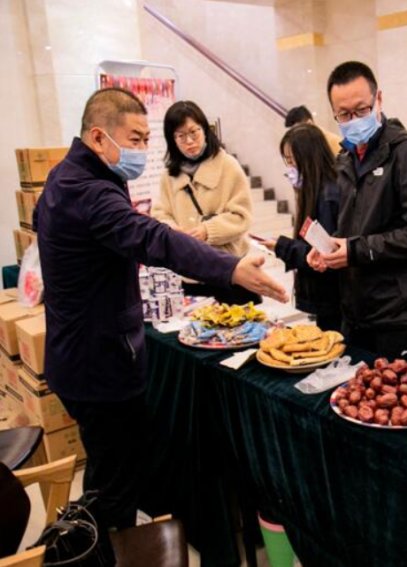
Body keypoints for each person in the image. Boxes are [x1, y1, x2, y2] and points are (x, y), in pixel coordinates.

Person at [33, 88, 288, 556]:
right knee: (113, 480)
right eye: (134, 137)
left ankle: (109, 539)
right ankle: (104, 551)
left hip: (82, 352)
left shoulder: (70, 176)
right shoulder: (87, 190)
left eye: (147, 138)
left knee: (111, 466)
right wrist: (228, 268)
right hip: (98, 363)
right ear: (98, 135)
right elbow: (152, 235)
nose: (141, 150)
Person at [307, 61, 407, 364]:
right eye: (344, 114)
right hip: (354, 310)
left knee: (397, 403)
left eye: (362, 110)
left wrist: (354, 251)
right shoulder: (346, 158)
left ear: (378, 99)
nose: (353, 120)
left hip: (397, 315)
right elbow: (355, 227)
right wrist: (330, 249)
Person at [152, 100, 259, 304]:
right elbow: (160, 213)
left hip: (230, 270)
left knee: (236, 329)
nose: (189, 141)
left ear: (205, 130)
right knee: (195, 330)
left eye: (194, 132)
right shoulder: (169, 175)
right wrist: (172, 230)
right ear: (172, 139)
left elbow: (242, 216)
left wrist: (207, 231)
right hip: (190, 272)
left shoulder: (228, 166)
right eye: (181, 136)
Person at [264, 123, 342, 331]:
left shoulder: (328, 195)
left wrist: (281, 246)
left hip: (333, 299)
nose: (289, 168)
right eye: (286, 161)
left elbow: (324, 255)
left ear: (309, 158)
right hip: (327, 298)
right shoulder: (316, 189)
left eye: (291, 160)